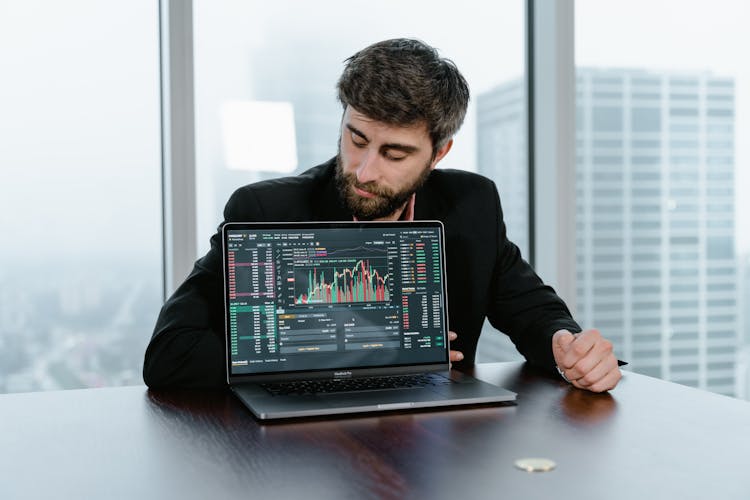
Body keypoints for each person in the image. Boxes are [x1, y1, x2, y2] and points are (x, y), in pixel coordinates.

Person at [144, 38, 622, 393]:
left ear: (438, 153)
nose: (364, 171)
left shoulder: (472, 204)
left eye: (394, 154)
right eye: (356, 140)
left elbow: (533, 310)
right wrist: (357, 352)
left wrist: (568, 347)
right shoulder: (265, 210)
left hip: (439, 455)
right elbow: (169, 355)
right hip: (301, 452)